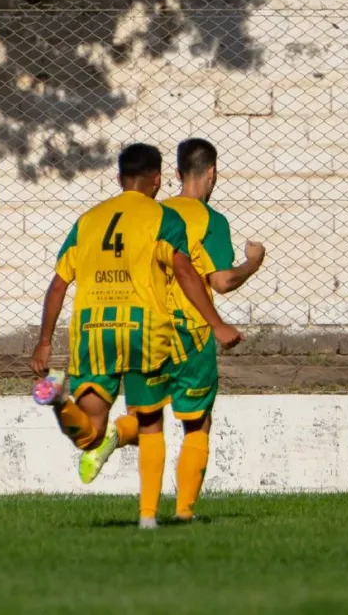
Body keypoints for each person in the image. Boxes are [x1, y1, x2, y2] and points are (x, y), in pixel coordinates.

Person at [29, 143, 243, 528]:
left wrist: (45, 342)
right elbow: (185, 272)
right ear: (157, 180)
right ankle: (148, 519)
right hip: (142, 331)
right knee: (150, 422)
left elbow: (58, 284)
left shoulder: (88, 220)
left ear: (118, 178)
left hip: (93, 331)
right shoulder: (163, 218)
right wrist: (216, 324)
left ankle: (59, 400)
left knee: (91, 435)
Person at [110, 138, 265, 523]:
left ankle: (140, 496)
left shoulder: (154, 213)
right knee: (196, 421)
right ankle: (184, 513)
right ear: (212, 173)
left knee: (148, 421)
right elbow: (222, 281)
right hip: (191, 332)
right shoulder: (210, 220)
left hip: (145, 328)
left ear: (176, 174)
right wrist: (253, 262)